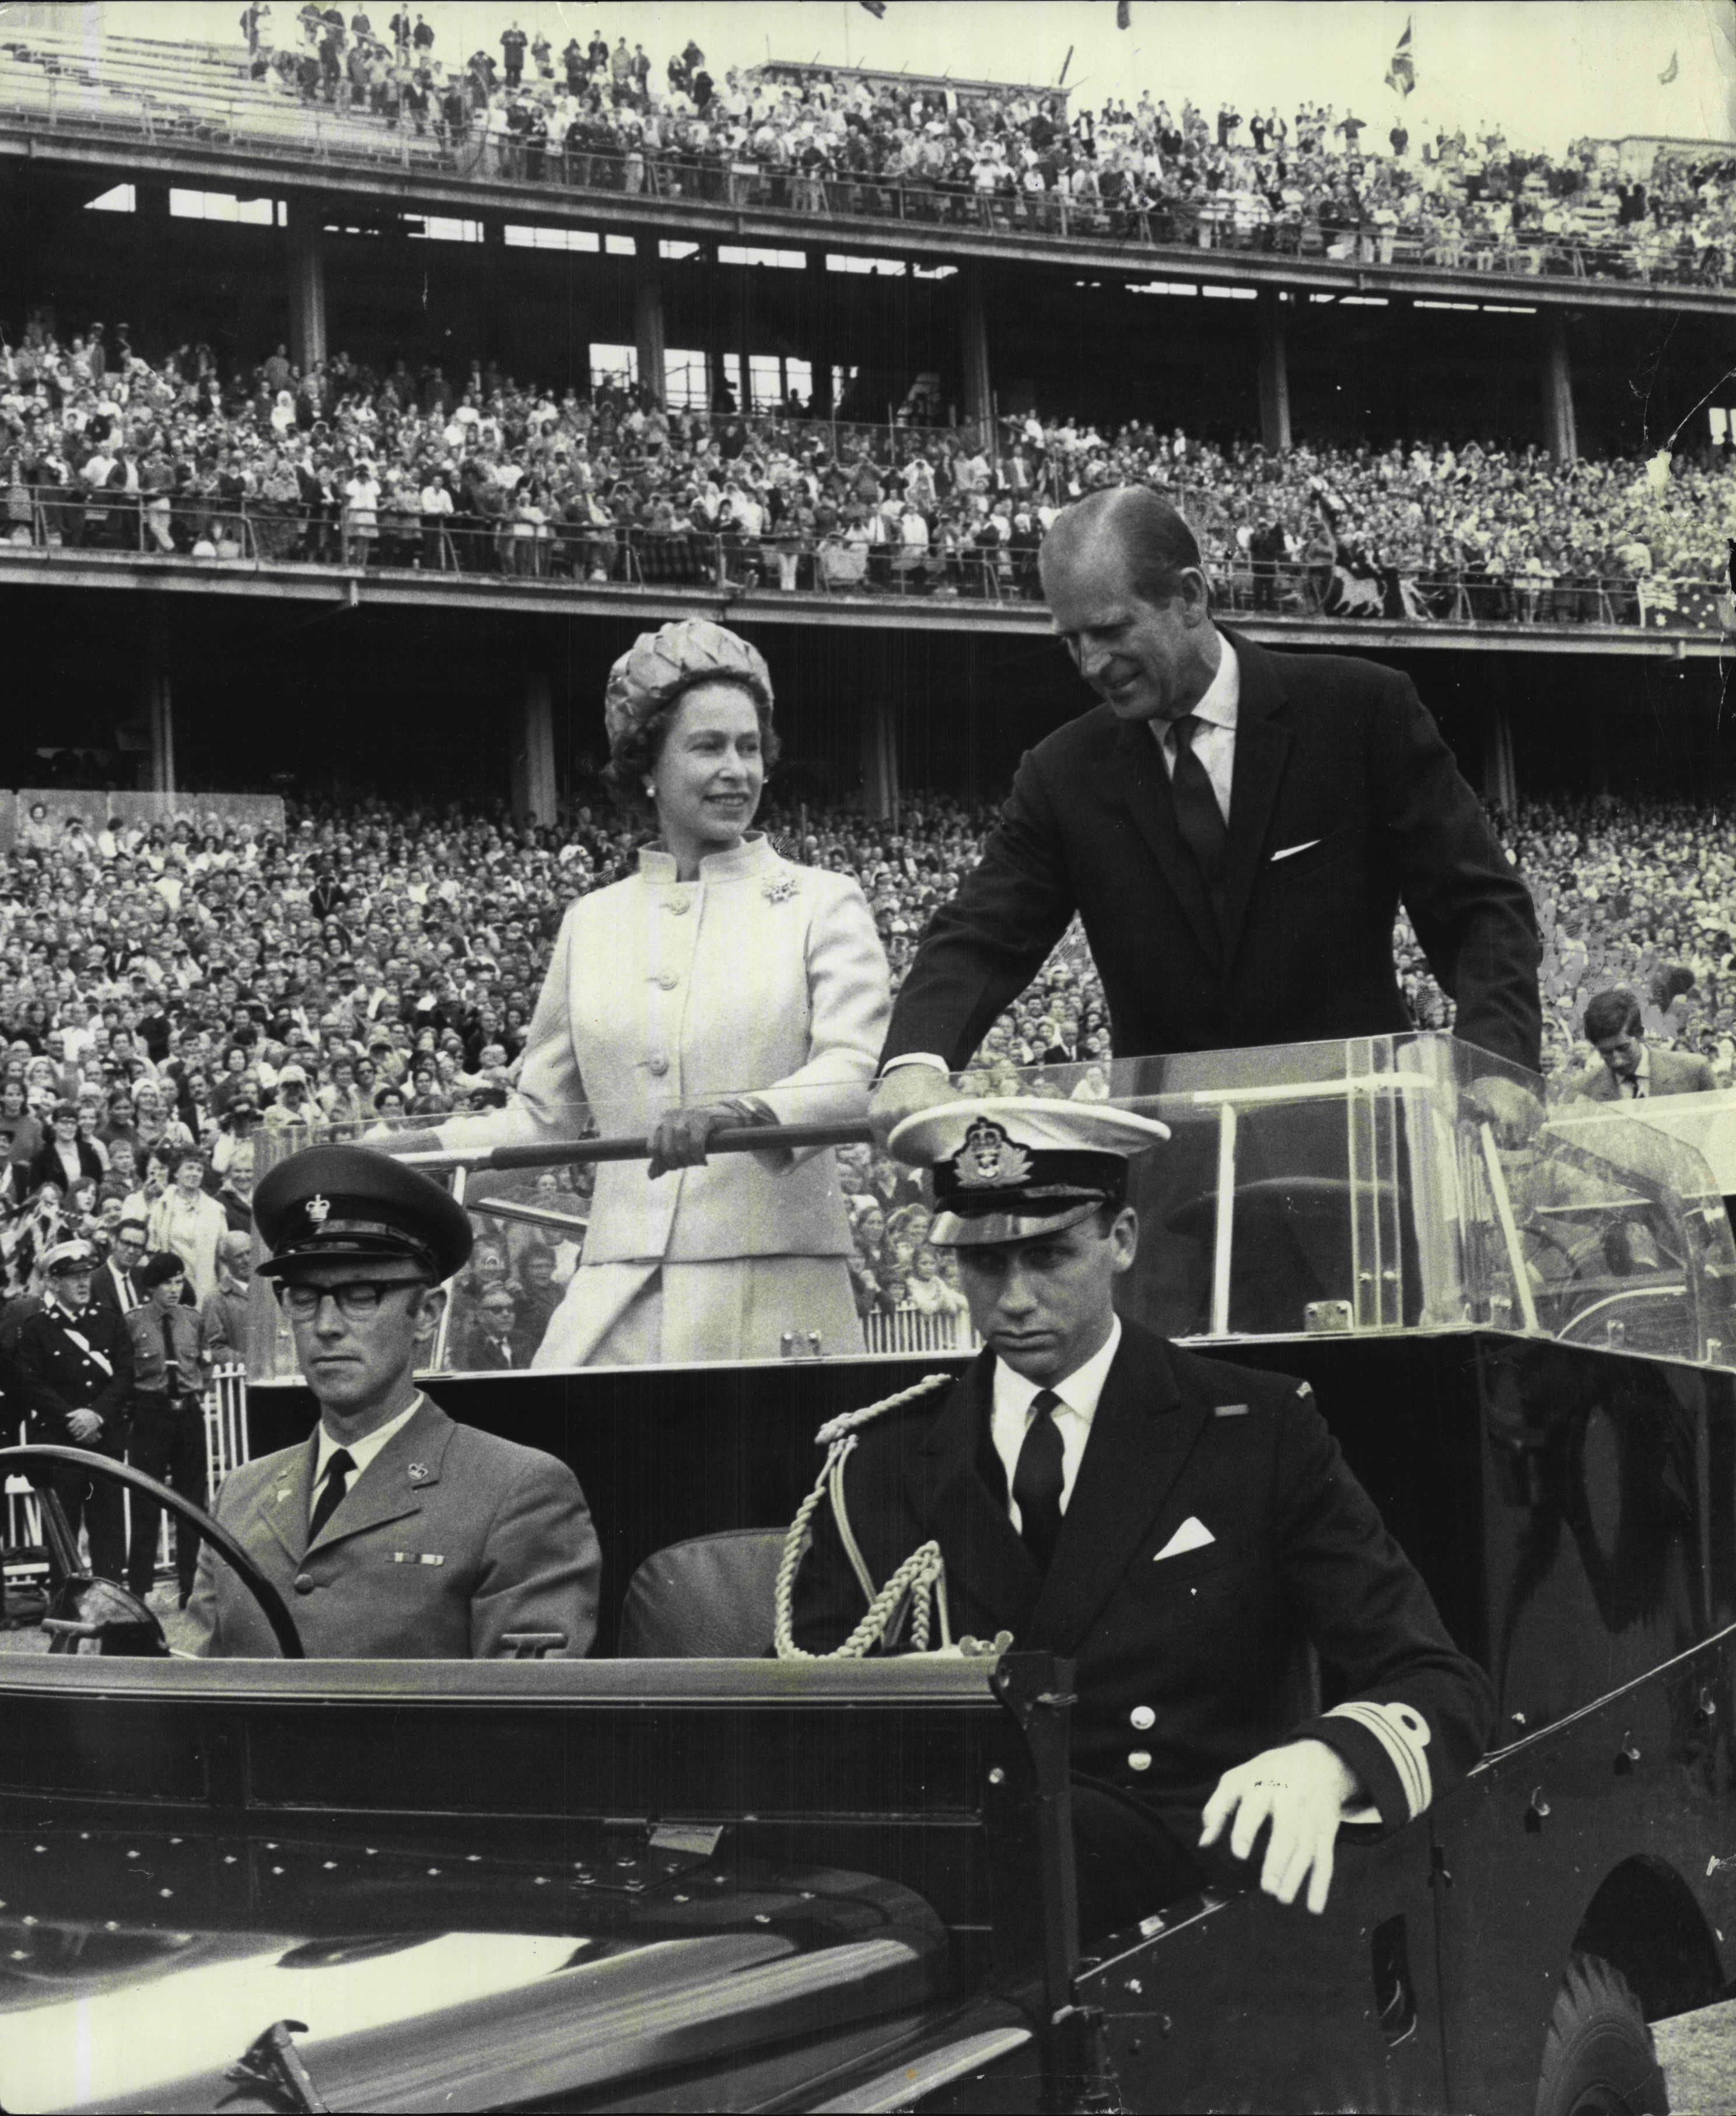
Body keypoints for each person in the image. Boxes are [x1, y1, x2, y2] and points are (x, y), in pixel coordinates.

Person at [793, 1101, 1492, 1940]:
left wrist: (1325, 1761)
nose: (1014, 1300)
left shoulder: (1252, 1430)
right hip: (933, 1887)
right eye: (983, 1264)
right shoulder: (877, 1460)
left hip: (1170, 1895)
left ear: (1121, 1239)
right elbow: (799, 1714)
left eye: (1049, 1255)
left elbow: (1435, 1681)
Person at [869, 486, 1542, 1149]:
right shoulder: (1062, 773)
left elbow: (1479, 903)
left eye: (1109, 630)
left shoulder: (1361, 712)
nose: (1091, 664)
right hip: (1176, 1182)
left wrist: (1495, 1057)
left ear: (1190, 597)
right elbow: (983, 931)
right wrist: (916, 1061)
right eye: (1070, 640)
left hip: (1356, 1162)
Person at [421, 621, 890, 1367]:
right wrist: (417, 1154)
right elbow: (544, 1117)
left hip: (778, 1298)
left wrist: (741, 1111)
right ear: (647, 764)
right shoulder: (593, 921)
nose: (736, 769)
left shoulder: (822, 902)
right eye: (707, 747)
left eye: (749, 747)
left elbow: (852, 1069)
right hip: (614, 1300)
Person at [184, 1143, 601, 1659]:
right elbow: (194, 1694)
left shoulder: (518, 1492)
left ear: (426, 1314)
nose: (327, 1326)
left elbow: (523, 1720)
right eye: (304, 1296)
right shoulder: (241, 1495)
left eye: (362, 1294)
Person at [13, 1239, 136, 1584]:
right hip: (62, 1445)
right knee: (63, 1536)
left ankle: (113, 1612)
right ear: (53, 1283)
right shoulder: (37, 1329)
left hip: (104, 1441)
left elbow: (125, 1375)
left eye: (87, 1275)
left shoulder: (109, 1322)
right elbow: (32, 1384)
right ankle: (65, 1613)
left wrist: (96, 1415)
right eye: (72, 1278)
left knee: (108, 1533)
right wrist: (74, 1418)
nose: (84, 1283)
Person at [123, 1250, 208, 1606]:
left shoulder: (193, 1319)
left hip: (187, 1415)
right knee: (146, 1502)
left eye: (178, 1282)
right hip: (150, 1416)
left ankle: (190, 1586)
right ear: (151, 1288)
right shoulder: (133, 1322)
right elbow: (125, 1372)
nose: (174, 1290)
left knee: (192, 1504)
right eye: (166, 1284)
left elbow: (204, 1364)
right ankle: (140, 1588)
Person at [1567, 987, 1717, 1101]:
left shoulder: (1694, 1071)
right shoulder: (1584, 1089)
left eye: (1623, 1048)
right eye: (1606, 1052)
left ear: (1640, 1034)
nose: (1617, 1060)